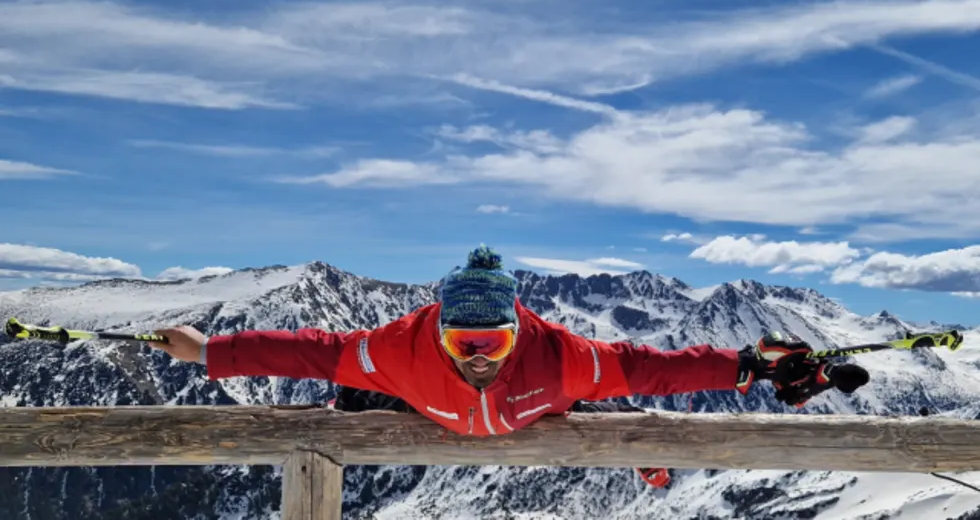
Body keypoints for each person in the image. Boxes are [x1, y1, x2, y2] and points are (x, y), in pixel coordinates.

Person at [148, 245, 870, 489]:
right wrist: (209, 350)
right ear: (440, 331)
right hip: (422, 402)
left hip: (541, 403)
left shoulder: (560, 355)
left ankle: (642, 457)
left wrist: (748, 364)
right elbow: (307, 349)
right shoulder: (399, 350)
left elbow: (652, 366)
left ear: (516, 329)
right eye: (464, 344)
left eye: (491, 342)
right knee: (351, 396)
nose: (479, 357)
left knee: (603, 405)